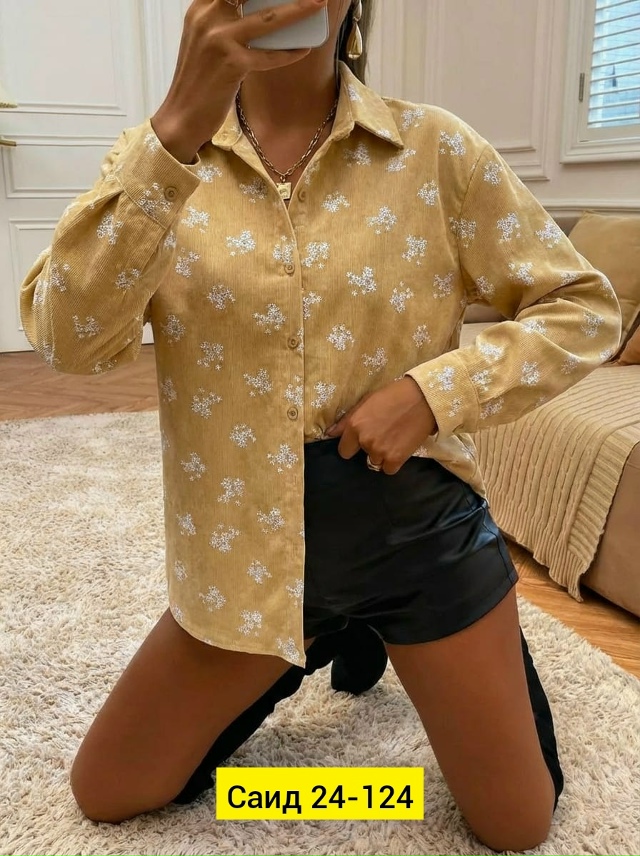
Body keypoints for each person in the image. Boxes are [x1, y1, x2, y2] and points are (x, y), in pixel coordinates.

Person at [20, 0, 621, 850]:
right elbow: (71, 341)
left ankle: (444, 636)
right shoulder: (155, 162)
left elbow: (584, 308)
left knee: (515, 825)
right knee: (109, 792)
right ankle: (328, 637)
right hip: (245, 563)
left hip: (415, 533)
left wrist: (434, 393)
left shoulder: (435, 149)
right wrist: (176, 127)